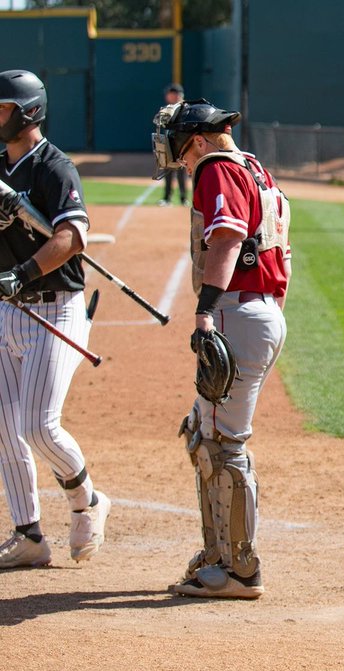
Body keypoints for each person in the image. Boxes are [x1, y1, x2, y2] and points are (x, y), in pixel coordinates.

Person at [151, 98, 291, 598]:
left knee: (221, 444)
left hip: (236, 310)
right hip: (262, 311)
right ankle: (218, 554)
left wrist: (206, 312)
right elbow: (282, 254)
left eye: (180, 149)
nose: (180, 159)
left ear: (198, 140)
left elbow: (228, 238)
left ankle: (239, 569)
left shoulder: (216, 168)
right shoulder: (255, 169)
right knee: (204, 432)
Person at [0, 69, 111, 570]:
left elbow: (71, 237)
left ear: (28, 112)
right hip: (8, 310)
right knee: (5, 428)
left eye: (2, 108)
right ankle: (28, 535)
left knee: (39, 427)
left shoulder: (55, 168)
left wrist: (21, 273)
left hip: (54, 308)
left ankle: (87, 501)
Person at [159, 83, 189, 207]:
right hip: (169, 144)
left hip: (181, 145)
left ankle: (183, 198)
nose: (169, 96)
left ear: (178, 95)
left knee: (182, 173)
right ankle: (167, 198)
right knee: (168, 172)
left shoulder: (185, 109)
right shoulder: (167, 109)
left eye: (172, 94)